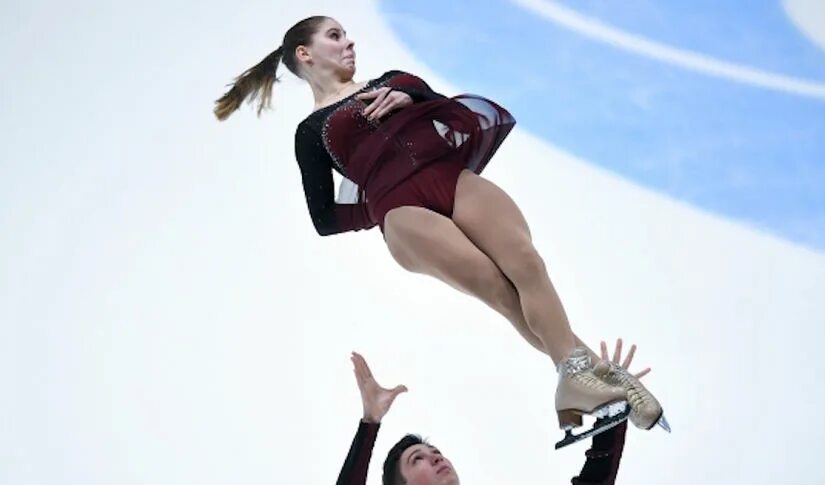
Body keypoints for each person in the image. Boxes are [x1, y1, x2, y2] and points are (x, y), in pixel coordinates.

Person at [213, 16, 668, 443]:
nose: (349, 42)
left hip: (452, 179)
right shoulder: (311, 132)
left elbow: (458, 117)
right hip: (402, 212)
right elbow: (325, 219)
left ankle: (583, 380)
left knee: (527, 264)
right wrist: (379, 204)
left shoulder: (396, 80)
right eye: (334, 36)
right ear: (304, 54)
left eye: (347, 34)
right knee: (500, 290)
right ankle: (595, 379)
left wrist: (413, 100)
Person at [332, 344, 647, 485]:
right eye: (418, 459)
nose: (436, 458)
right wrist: (370, 422)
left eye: (435, 452)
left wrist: (611, 415)